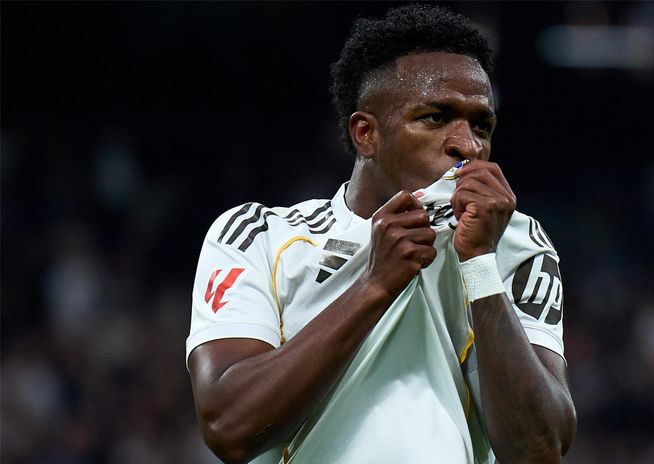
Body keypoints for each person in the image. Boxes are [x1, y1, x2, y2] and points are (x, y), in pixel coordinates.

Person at [187, 5, 576, 463]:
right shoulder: (260, 235)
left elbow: (538, 449)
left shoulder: (515, 242)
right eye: (435, 117)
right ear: (366, 134)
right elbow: (229, 426)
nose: (468, 146)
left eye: (481, 125)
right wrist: (375, 285)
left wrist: (479, 267)